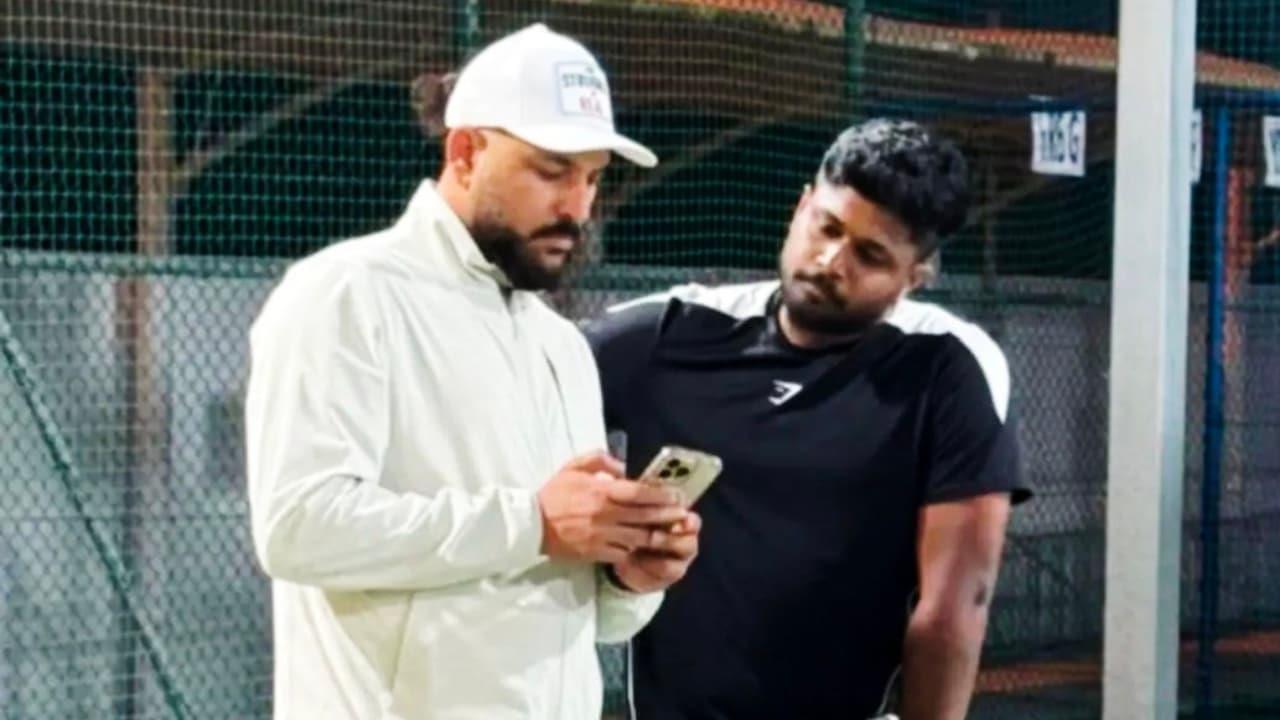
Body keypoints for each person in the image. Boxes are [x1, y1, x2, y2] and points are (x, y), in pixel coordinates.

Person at [244, 23, 700, 720]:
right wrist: (532, 521)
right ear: (465, 152)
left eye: (592, 177)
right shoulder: (345, 292)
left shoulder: (561, 345)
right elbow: (298, 526)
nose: (577, 206)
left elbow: (585, 616)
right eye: (551, 170)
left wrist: (626, 577)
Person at [585, 118, 1031, 720]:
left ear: (916, 275)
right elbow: (526, 388)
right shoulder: (670, 332)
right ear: (801, 207)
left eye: (870, 255)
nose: (830, 261)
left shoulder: (947, 366)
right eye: (827, 226)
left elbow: (956, 603)